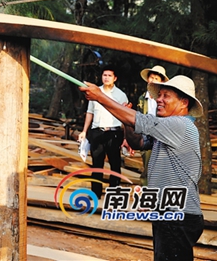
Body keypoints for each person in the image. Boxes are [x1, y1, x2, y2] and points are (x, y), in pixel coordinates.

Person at [79, 75, 204, 261]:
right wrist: (126, 123)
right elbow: (137, 142)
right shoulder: (166, 129)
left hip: (178, 215)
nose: (159, 100)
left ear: (184, 102)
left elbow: (142, 121)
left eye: (166, 96)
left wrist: (100, 97)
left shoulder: (180, 125)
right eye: (159, 95)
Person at [78, 65, 129, 198]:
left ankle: (114, 194)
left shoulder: (121, 95)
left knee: (115, 164)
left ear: (115, 78)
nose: (106, 78)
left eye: (109, 75)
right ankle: (95, 193)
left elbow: (126, 117)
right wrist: (84, 131)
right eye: (104, 75)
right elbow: (90, 113)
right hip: (97, 132)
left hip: (114, 133)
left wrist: (126, 137)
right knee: (96, 164)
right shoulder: (94, 92)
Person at [137, 65, 169, 185]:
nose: (153, 80)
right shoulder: (142, 98)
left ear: (161, 82)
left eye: (156, 78)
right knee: (147, 167)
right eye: (151, 77)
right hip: (147, 135)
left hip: (161, 135)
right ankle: (147, 195)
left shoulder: (164, 98)